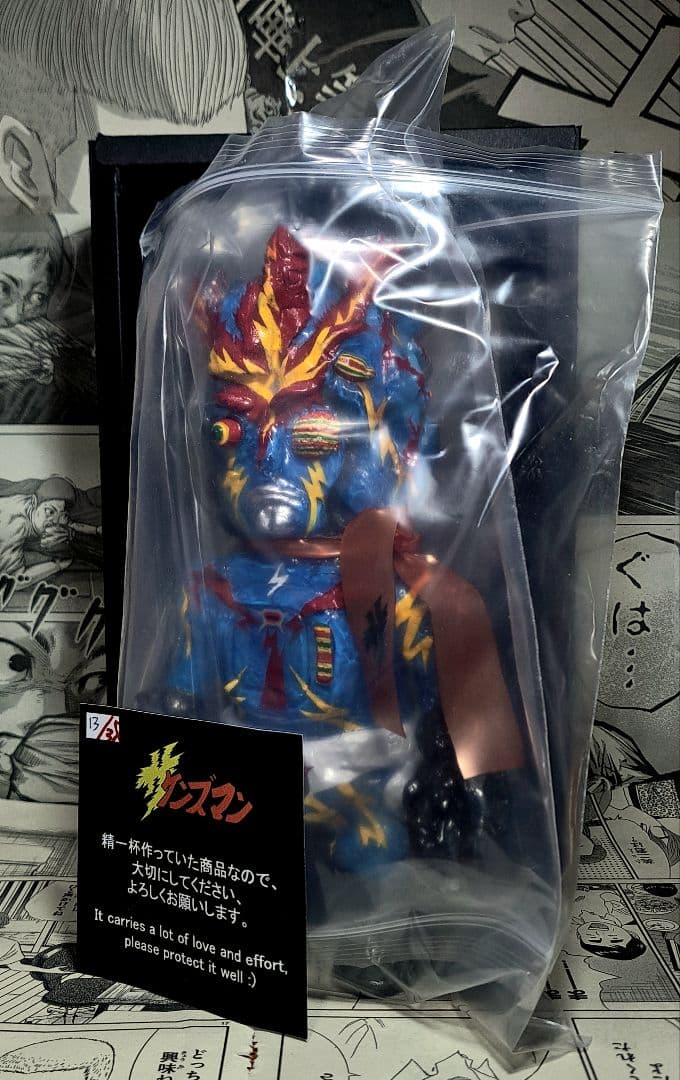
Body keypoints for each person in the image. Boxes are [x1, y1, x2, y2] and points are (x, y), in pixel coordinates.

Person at [0, 477, 75, 587]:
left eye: (62, 515)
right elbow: (13, 581)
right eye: (50, 511)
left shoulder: (33, 507)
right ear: (34, 502)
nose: (55, 521)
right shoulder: (19, 524)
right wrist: (56, 565)